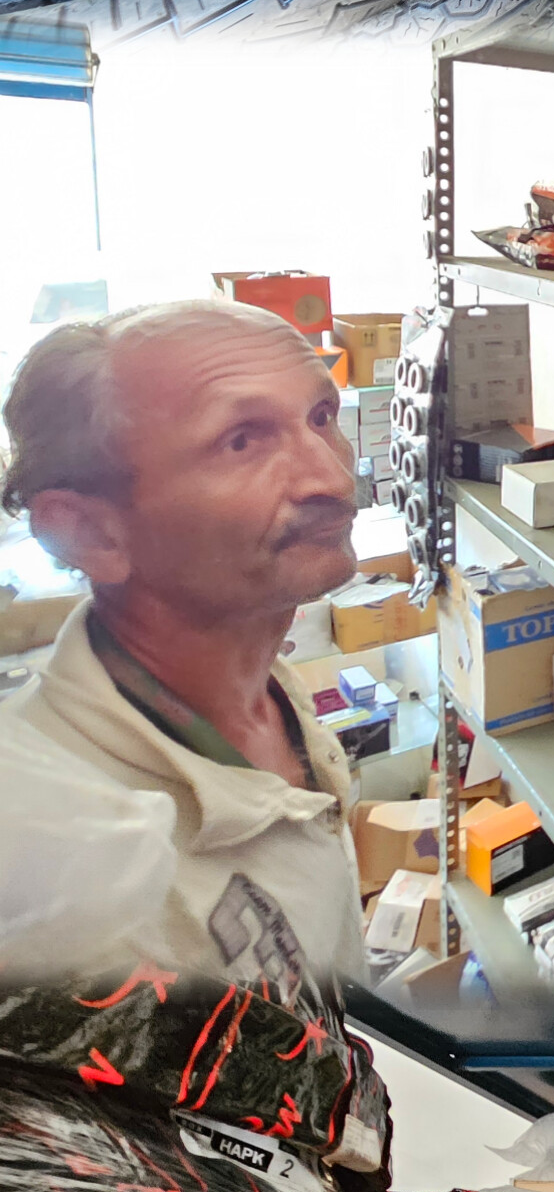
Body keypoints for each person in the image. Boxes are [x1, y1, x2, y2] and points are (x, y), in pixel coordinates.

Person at [0, 298, 366, 992]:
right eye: (242, 441)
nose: (333, 478)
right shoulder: (59, 886)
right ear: (89, 533)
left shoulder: (255, 689)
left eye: (321, 417)